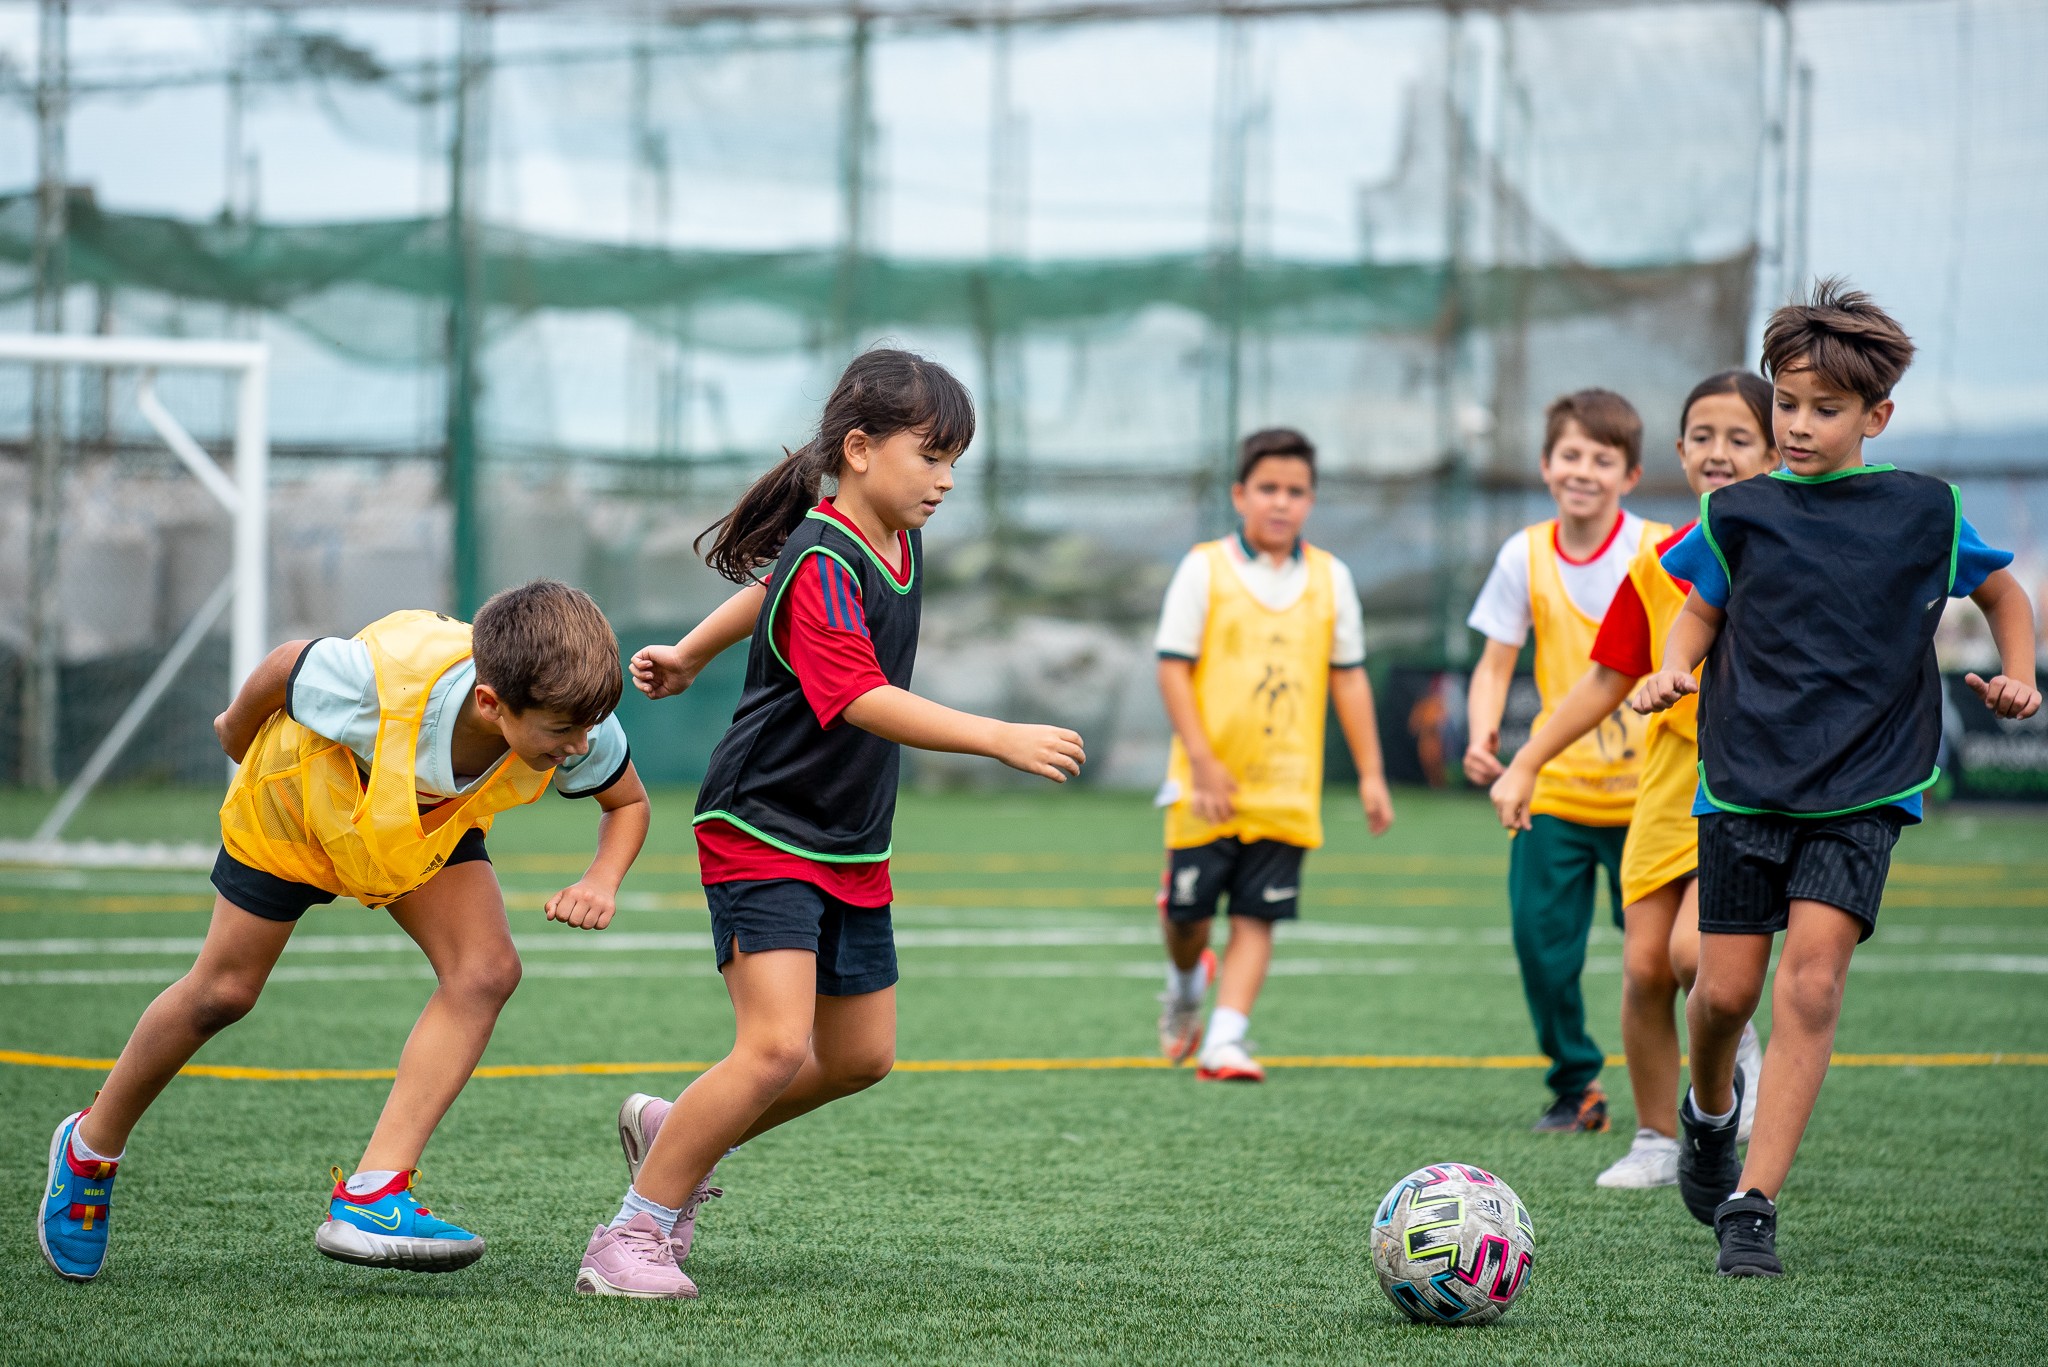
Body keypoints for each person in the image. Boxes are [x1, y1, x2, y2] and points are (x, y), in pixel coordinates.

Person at [578, 348, 1087, 1300]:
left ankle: (677, 1129)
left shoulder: (890, 536)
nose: (945, 480)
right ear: (859, 448)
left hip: (849, 834)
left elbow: (763, 592)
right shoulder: (825, 554)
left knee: (859, 1056)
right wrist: (996, 736)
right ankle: (629, 1234)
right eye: (930, 455)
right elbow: (857, 694)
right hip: (763, 823)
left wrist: (689, 652)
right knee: (774, 1045)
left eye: (955, 462)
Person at [37, 582, 649, 1282]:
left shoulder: (578, 715)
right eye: (562, 730)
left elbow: (627, 803)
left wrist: (601, 878)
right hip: (296, 810)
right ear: (490, 703)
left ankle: (373, 1193)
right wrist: (235, 730)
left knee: (485, 971)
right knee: (223, 993)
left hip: (409, 826)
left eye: (589, 726)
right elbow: (285, 663)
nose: (581, 744)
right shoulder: (373, 686)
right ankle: (90, 1145)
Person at [1635, 280, 2039, 1277]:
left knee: (1811, 981)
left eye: (1824, 409)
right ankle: (1708, 1111)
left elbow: (2001, 591)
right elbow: (1700, 607)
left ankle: (1753, 1203)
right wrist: (1674, 665)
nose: (1798, 425)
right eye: (1786, 404)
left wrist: (2019, 674)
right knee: (1722, 994)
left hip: (1865, 783)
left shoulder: (1923, 510)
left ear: (1875, 417)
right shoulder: (1737, 512)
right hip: (1744, 780)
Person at [1490, 372, 1780, 1186]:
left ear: (1774, 452)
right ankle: (1656, 1137)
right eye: (1703, 436)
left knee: (1694, 952)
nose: (1718, 452)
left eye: (1739, 438)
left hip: (1746, 785)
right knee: (1646, 966)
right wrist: (1526, 760)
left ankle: (1733, 1050)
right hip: (1664, 786)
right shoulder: (1658, 563)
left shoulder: (1791, 555)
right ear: (1680, 451)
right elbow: (1604, 678)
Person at [1152, 427, 1394, 1082]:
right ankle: (1185, 982)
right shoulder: (1204, 567)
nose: (1281, 502)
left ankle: (1225, 1040)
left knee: (1258, 914)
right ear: (1240, 495)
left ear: (1311, 500)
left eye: (1295, 491)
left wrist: (1372, 773)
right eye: (1267, 488)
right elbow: (1172, 668)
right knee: (1188, 917)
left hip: (1286, 787)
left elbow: (1349, 678)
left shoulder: (1332, 578)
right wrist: (1202, 760)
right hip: (1206, 786)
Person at [1464, 389, 1667, 1134]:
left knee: (1668, 960)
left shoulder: (1660, 550)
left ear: (1630, 474)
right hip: (1554, 791)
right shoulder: (1523, 554)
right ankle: (1576, 1083)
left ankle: (1709, 1082)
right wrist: (1484, 733)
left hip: (1652, 794)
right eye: (1570, 455)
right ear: (1547, 465)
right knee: (1541, 946)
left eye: (1602, 459)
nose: (1584, 470)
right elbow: (1495, 663)